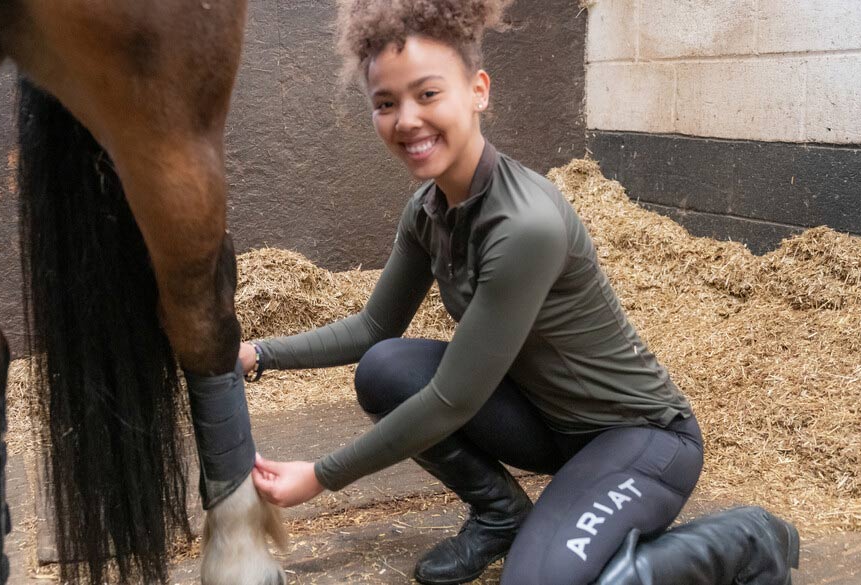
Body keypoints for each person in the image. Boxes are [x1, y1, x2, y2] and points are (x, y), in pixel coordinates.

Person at [242, 1, 801, 583]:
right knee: (385, 367)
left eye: (428, 94)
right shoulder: (428, 210)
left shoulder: (524, 225)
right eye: (386, 103)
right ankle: (500, 514)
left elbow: (452, 401)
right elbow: (372, 330)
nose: (406, 119)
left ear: (478, 91)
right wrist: (258, 355)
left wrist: (321, 475)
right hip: (549, 427)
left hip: (640, 440)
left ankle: (744, 539)